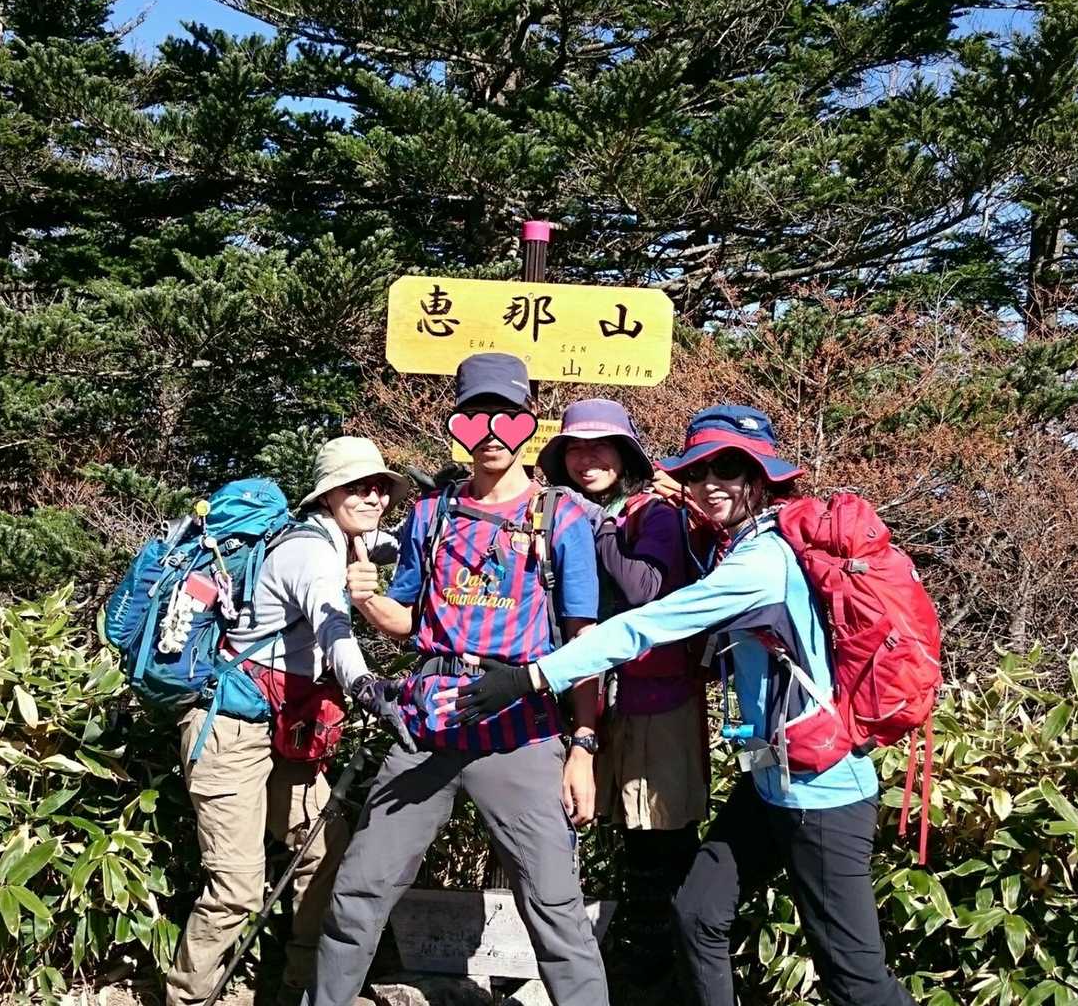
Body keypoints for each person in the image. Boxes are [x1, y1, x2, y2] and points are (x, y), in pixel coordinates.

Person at [456, 405, 916, 1006]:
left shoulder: (761, 563)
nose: (710, 483)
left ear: (762, 478)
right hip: (773, 780)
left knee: (855, 981)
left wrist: (534, 677)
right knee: (698, 912)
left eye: (729, 469)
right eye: (698, 472)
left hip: (823, 791)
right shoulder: (737, 543)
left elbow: (647, 624)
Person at [306, 353, 610, 1006]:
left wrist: (584, 747)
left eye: (507, 417)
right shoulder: (432, 513)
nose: (491, 432)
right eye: (475, 417)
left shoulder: (562, 518)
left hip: (521, 733)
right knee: (359, 892)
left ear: (529, 422)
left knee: (556, 910)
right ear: (457, 425)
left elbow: (586, 644)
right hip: (427, 729)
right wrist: (366, 598)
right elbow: (407, 622)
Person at [165, 437, 417, 1006]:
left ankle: (302, 990)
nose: (373, 497)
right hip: (229, 726)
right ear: (328, 495)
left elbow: (395, 543)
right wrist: (364, 684)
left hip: (286, 724)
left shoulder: (345, 538)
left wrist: (446, 503)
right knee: (236, 888)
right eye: (358, 487)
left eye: (380, 487)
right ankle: (189, 997)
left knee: (323, 854)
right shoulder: (310, 553)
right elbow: (333, 626)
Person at [534, 399, 705, 991]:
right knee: (622, 836)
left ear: (626, 456)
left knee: (657, 836)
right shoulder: (564, 514)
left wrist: (600, 526)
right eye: (575, 449)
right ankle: (635, 964)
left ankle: (667, 971)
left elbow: (645, 587)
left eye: (601, 447)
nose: (586, 459)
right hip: (605, 699)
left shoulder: (650, 514)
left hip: (658, 699)